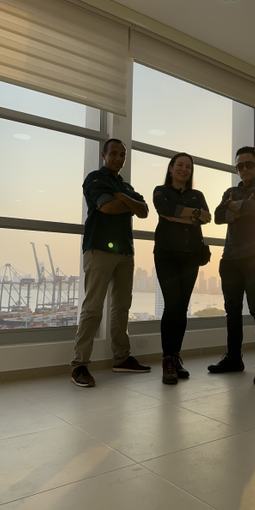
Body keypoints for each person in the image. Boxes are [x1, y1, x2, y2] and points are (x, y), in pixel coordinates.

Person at [71, 138, 152, 388]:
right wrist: (128, 203)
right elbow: (106, 207)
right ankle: (79, 365)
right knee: (93, 307)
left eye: (122, 155)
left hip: (125, 251)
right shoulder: (95, 178)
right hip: (99, 249)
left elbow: (144, 210)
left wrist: (123, 198)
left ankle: (121, 358)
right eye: (114, 153)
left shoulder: (124, 186)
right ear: (104, 155)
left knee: (122, 307)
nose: (118, 158)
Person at [209, 146, 255, 385]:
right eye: (240, 166)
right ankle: (233, 358)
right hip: (230, 258)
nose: (244, 169)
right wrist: (242, 207)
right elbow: (218, 216)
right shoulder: (231, 191)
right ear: (236, 169)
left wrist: (234, 206)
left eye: (249, 164)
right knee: (232, 311)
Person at [152, 153, 212, 385]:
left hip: (190, 256)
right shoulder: (161, 191)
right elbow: (163, 209)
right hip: (166, 255)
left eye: (188, 166)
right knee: (172, 304)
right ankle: (167, 359)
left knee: (182, 307)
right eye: (180, 165)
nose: (184, 169)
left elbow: (206, 217)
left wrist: (179, 214)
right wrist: (193, 214)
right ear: (170, 168)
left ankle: (175, 356)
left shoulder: (198, 195)